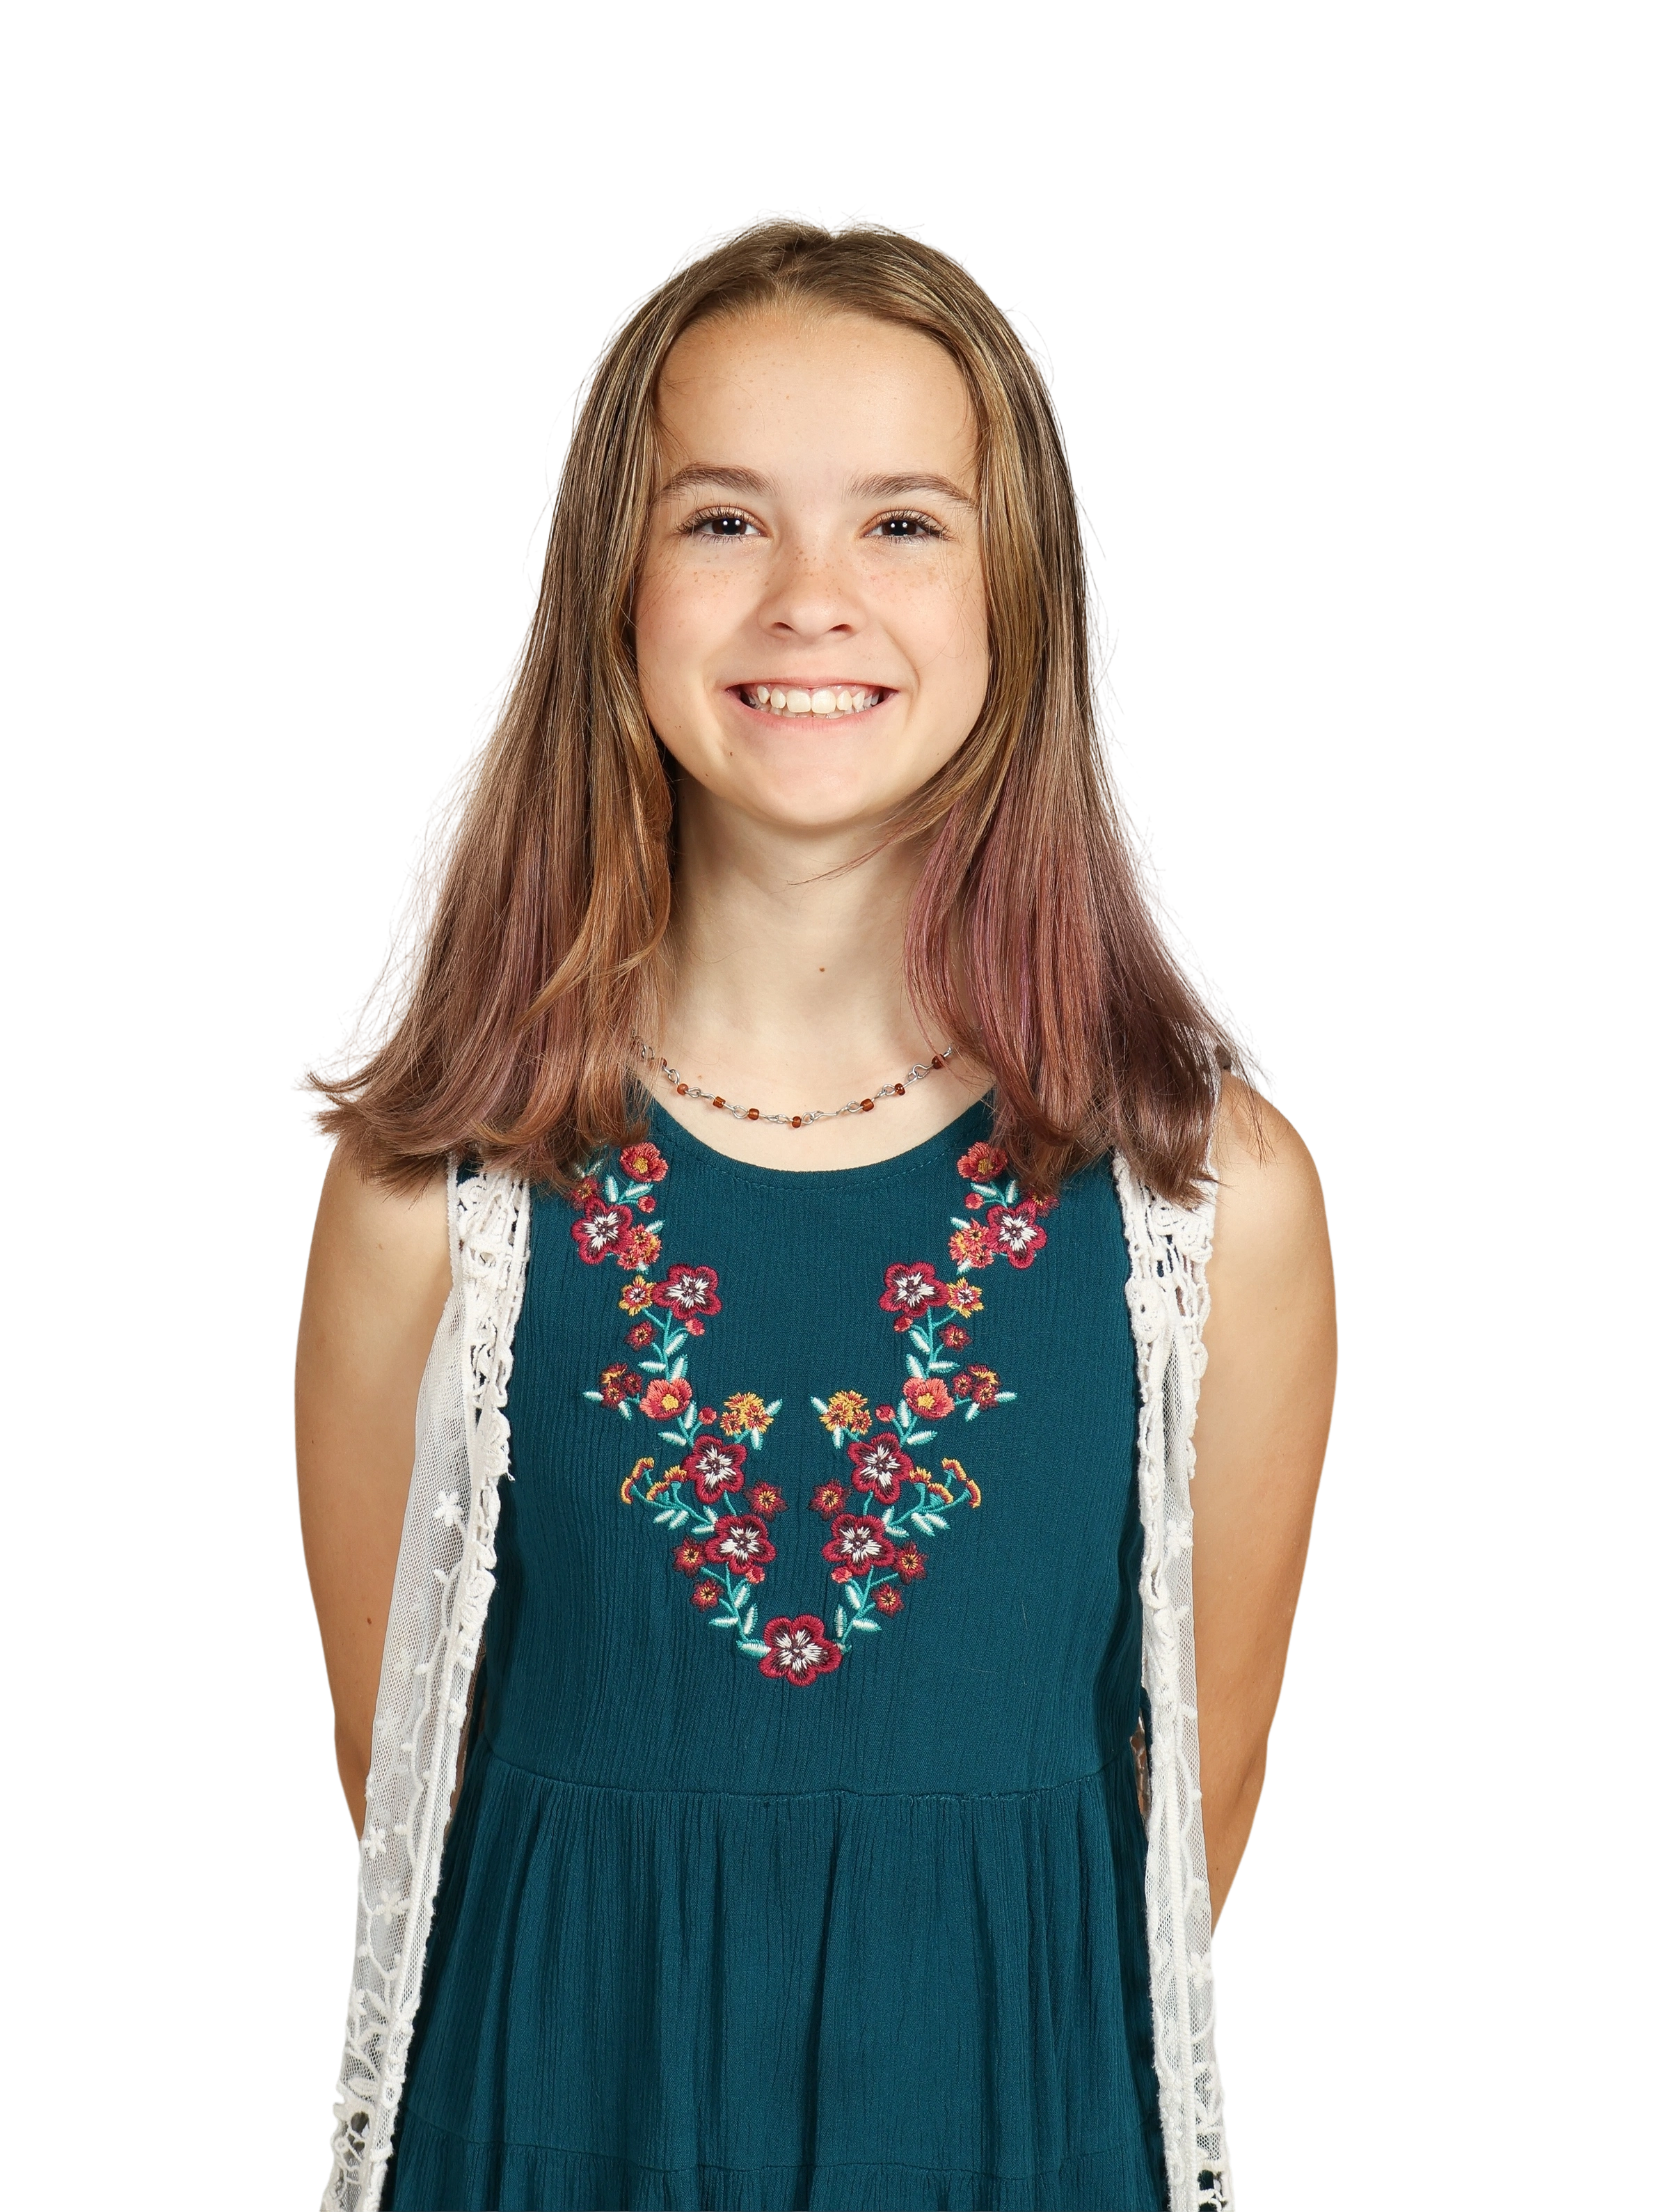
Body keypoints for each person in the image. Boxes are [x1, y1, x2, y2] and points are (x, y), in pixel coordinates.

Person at [292, 205, 1339, 2212]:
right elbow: (408, 1790)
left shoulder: (1209, 1208)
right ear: (610, 590)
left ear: (1019, 600)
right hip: (553, 2132)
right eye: (723, 521)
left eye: (903, 525)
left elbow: (1185, 1839)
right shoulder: (436, 1192)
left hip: (1014, 2141)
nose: (809, 601)